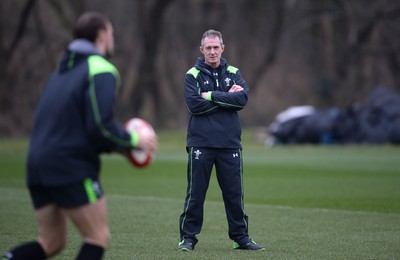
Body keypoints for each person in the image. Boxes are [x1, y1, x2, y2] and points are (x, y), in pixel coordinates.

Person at [1, 11, 158, 260]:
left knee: (51, 242)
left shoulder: (60, 73)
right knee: (97, 237)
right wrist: (132, 141)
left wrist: (119, 145)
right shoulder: (101, 69)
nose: (113, 38)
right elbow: (100, 127)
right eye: (111, 33)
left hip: (37, 165)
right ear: (102, 35)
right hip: (69, 166)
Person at [178, 29, 265, 251]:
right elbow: (194, 105)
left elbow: (242, 99)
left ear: (223, 48)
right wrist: (228, 96)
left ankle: (241, 238)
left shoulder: (234, 72)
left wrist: (211, 95)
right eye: (208, 48)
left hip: (230, 144)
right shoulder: (192, 75)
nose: (212, 51)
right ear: (201, 50)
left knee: (234, 196)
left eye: (216, 47)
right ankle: (187, 238)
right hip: (201, 144)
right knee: (196, 196)